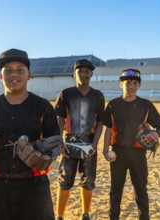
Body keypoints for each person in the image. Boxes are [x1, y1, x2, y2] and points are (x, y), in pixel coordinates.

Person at [0, 48, 60, 220]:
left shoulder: (42, 107)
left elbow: (55, 144)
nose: (14, 75)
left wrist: (40, 153)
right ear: (0, 76)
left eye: (20, 70)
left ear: (29, 74)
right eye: (8, 70)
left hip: (34, 188)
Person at [102, 69, 160, 220]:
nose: (131, 86)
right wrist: (105, 151)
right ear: (121, 84)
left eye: (134, 83)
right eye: (127, 83)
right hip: (118, 153)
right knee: (116, 190)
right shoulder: (113, 105)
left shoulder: (145, 105)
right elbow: (108, 129)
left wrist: (157, 133)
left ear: (139, 86)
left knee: (141, 190)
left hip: (138, 153)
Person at [55, 59, 105, 220]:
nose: (84, 74)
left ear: (91, 74)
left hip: (89, 141)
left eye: (87, 72)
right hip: (69, 142)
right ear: (74, 73)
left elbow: (101, 122)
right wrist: (60, 142)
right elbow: (60, 118)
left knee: (88, 180)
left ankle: (85, 213)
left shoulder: (98, 96)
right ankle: (60, 215)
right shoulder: (66, 93)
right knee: (65, 180)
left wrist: (95, 143)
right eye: (80, 71)